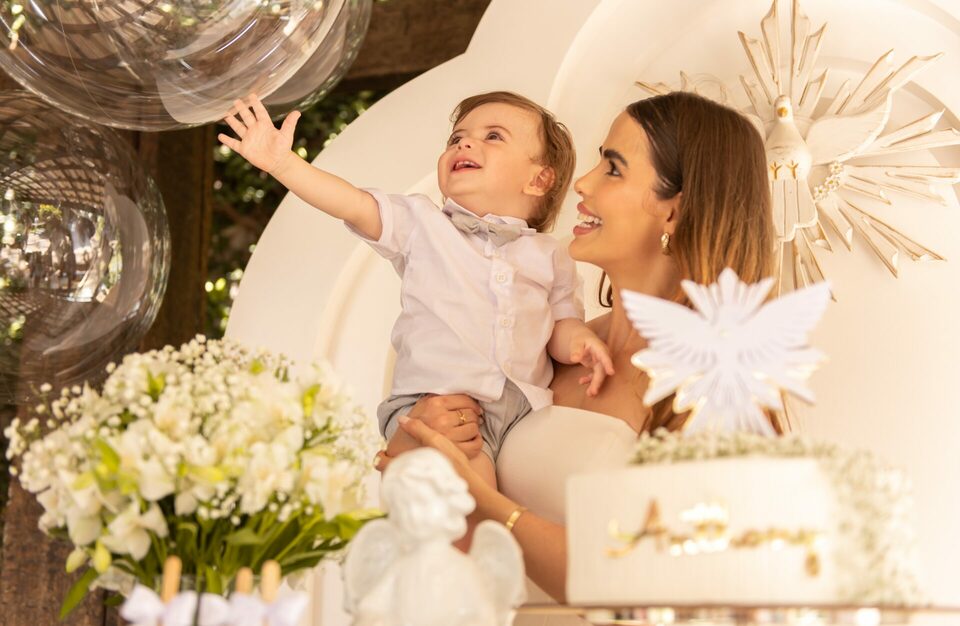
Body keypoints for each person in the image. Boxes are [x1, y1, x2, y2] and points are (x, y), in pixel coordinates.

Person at [381, 91, 778, 612]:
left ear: (675, 210)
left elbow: (652, 579)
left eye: (612, 169)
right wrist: (418, 439)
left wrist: (483, 502)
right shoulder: (538, 348)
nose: (582, 184)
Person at [218, 91, 614, 491]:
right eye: (456, 138)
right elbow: (352, 204)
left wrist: (580, 342)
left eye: (493, 136)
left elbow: (561, 327)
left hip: (520, 410)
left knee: (537, 491)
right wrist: (283, 164)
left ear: (538, 179)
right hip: (439, 401)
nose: (465, 143)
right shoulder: (421, 223)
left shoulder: (551, 256)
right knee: (468, 503)